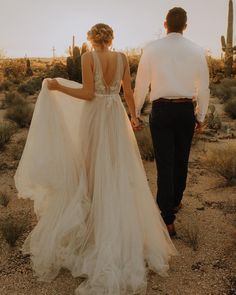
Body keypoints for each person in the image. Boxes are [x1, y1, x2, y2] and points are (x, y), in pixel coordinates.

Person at [14, 23, 177, 295]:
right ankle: (117, 223)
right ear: (111, 39)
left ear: (90, 40)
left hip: (95, 117)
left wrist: (58, 87)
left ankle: (94, 226)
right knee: (117, 168)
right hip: (116, 117)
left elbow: (88, 93)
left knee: (90, 171)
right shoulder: (123, 58)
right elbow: (127, 92)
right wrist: (134, 117)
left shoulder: (88, 57)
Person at [134, 7, 210, 236]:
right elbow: (204, 88)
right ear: (185, 27)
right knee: (181, 160)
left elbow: (141, 83)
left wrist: (136, 111)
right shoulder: (197, 50)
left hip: (161, 111)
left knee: (164, 164)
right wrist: (201, 116)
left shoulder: (151, 49)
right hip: (185, 109)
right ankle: (175, 201)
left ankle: (167, 217)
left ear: (165, 24)